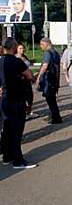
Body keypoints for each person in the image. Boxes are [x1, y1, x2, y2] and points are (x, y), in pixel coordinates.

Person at [0, 37, 37, 169]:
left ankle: (6, 156)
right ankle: (18, 160)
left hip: (4, 99)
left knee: (7, 129)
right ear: (13, 47)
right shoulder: (17, 62)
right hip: (16, 99)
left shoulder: (1, 61)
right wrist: (30, 77)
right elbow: (29, 76)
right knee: (16, 130)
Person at [35, 38, 62, 124]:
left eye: (42, 44)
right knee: (52, 98)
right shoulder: (56, 53)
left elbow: (45, 66)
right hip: (54, 79)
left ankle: (56, 118)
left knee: (50, 99)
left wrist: (38, 78)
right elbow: (58, 68)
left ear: (47, 44)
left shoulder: (47, 53)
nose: (41, 46)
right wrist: (58, 81)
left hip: (48, 79)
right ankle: (54, 116)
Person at [15, 43, 34, 117]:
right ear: (16, 49)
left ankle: (29, 111)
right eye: (20, 48)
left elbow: (28, 68)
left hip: (27, 80)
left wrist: (32, 76)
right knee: (22, 97)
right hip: (20, 81)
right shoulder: (15, 58)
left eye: (23, 48)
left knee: (30, 96)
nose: (22, 50)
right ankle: (22, 112)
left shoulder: (25, 57)